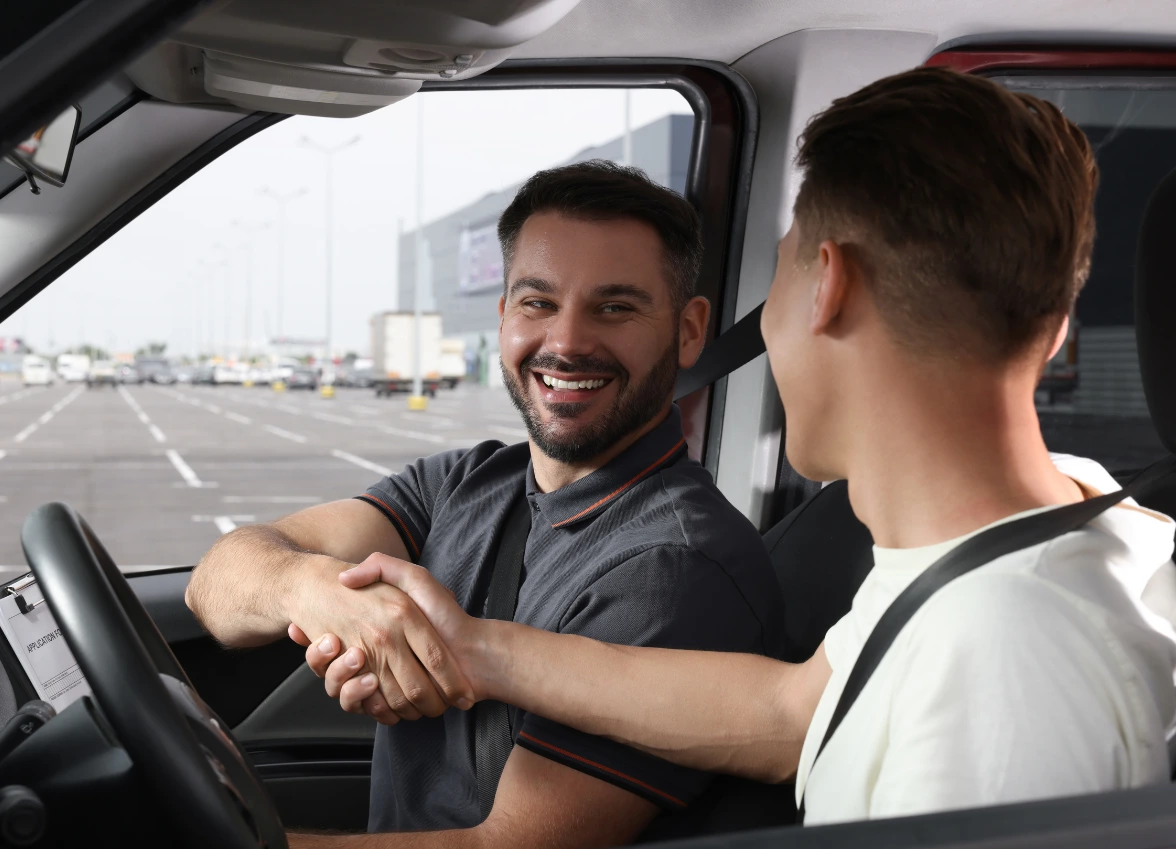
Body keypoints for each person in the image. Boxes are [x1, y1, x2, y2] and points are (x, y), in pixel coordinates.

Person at [307, 67, 1176, 825]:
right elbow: (786, 710)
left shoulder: (1001, 659)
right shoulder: (1061, 515)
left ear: (825, 285)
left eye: (781, 264)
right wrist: (473, 650)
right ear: (1055, 328)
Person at [185, 160, 787, 847]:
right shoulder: (465, 482)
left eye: (614, 306)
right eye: (537, 302)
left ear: (687, 330)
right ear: (503, 316)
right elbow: (217, 588)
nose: (565, 342)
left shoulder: (675, 568)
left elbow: (499, 845)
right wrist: (321, 595)